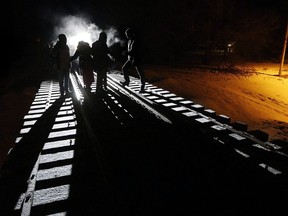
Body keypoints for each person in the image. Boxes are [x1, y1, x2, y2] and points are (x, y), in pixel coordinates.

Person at [121, 28, 146, 93]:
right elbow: (130, 50)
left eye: (127, 34)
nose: (127, 36)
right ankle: (127, 81)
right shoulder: (129, 41)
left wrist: (127, 53)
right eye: (126, 34)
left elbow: (135, 51)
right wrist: (128, 53)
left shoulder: (136, 40)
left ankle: (142, 87)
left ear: (131, 33)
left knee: (140, 73)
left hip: (137, 59)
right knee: (124, 68)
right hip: (130, 59)